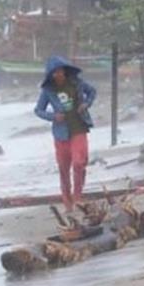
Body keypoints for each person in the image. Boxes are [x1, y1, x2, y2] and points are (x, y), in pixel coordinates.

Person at [34, 55, 97, 213]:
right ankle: (67, 202)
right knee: (63, 169)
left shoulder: (77, 83)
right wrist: (53, 116)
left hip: (79, 128)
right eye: (55, 73)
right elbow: (38, 110)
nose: (59, 75)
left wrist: (86, 104)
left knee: (79, 163)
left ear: (65, 71)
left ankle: (78, 197)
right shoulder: (48, 90)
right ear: (51, 75)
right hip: (61, 134)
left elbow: (92, 92)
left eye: (60, 71)